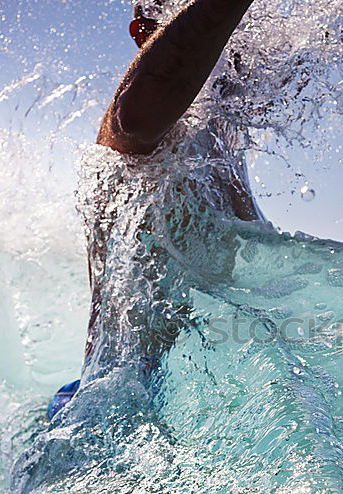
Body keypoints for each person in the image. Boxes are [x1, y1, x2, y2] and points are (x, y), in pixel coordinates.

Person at [47, 0, 262, 420]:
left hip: (181, 393)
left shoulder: (221, 136)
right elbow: (137, 116)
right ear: (146, 32)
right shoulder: (139, 128)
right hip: (104, 401)